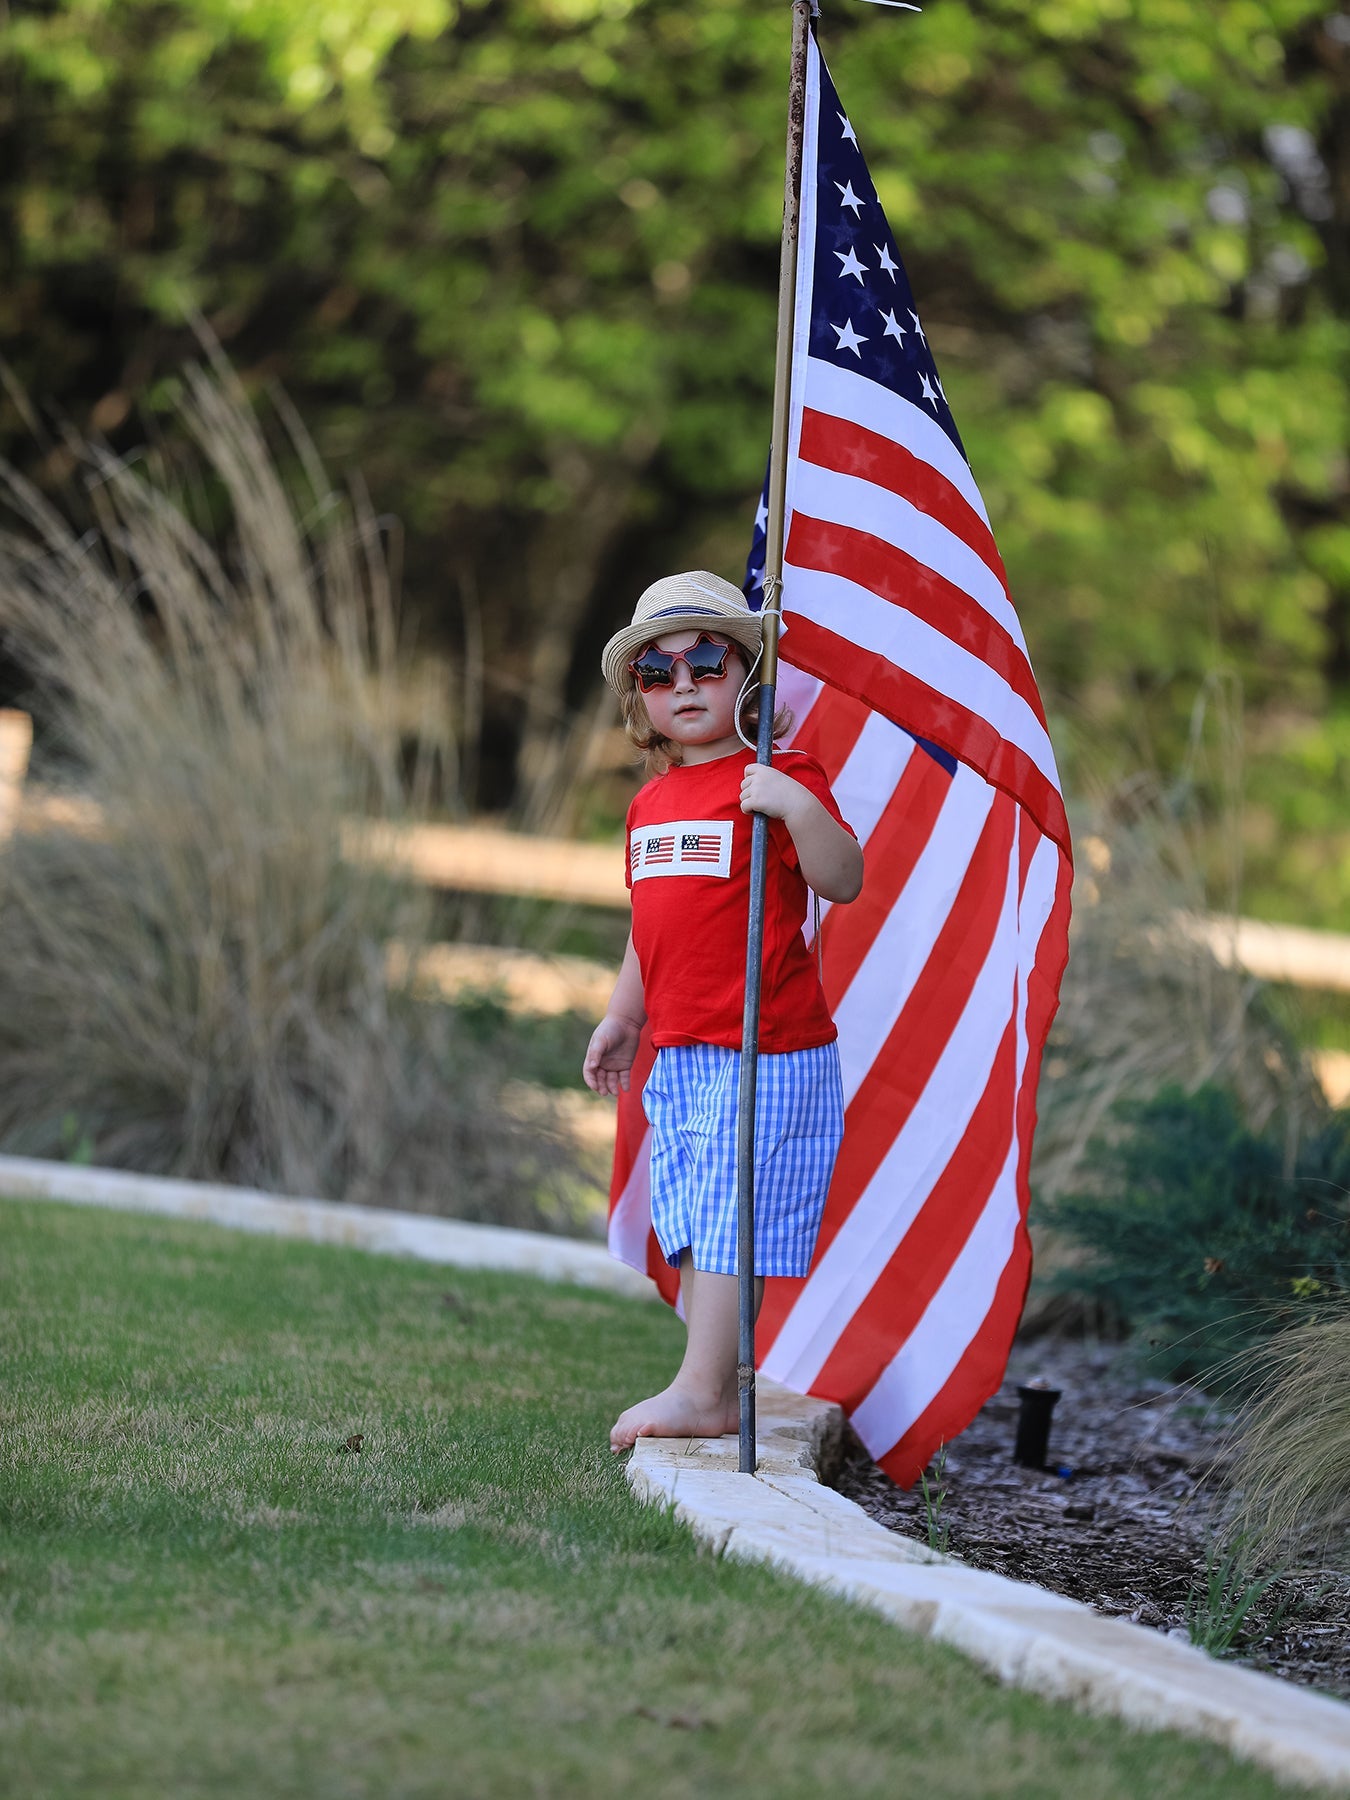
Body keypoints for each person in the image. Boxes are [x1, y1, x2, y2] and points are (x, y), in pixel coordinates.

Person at [583, 571, 863, 1451]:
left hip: (764, 1047)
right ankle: (703, 1382)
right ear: (640, 699)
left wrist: (795, 806)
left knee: (734, 1213)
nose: (684, 686)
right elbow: (650, 926)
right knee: (702, 1213)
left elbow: (842, 880)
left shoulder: (780, 776)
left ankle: (704, 1391)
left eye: (705, 662)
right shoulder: (651, 804)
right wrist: (625, 1016)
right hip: (685, 1049)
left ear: (747, 673)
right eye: (657, 676)